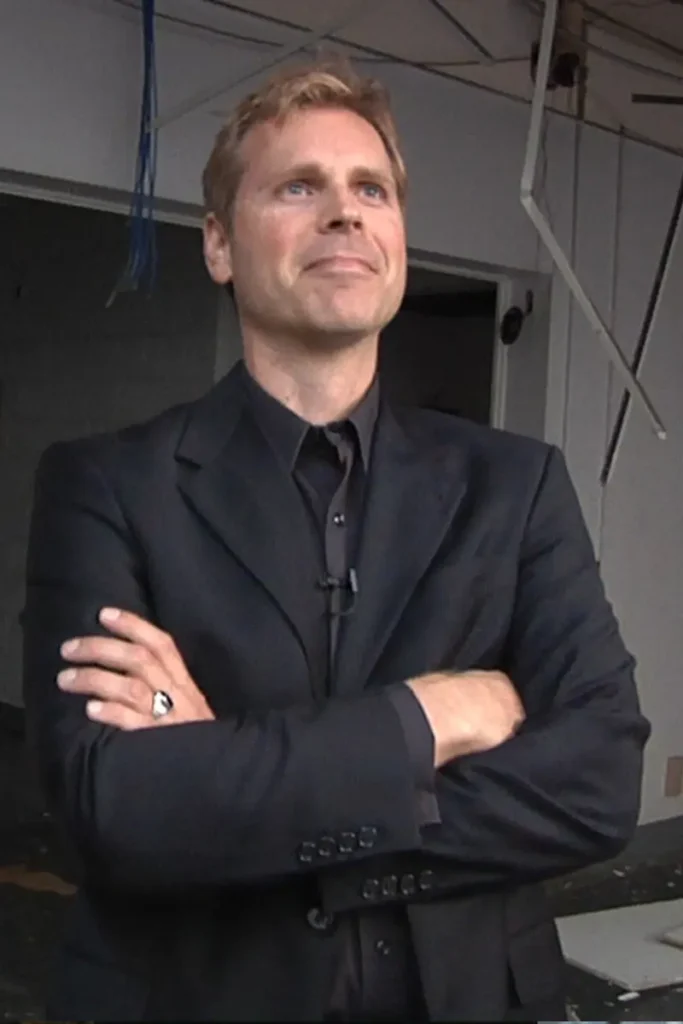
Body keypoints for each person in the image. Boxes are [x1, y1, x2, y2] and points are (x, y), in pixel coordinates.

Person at [22, 58, 650, 1023]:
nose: (345, 214)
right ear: (220, 244)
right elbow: (114, 810)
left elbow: (596, 784)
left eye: (371, 190)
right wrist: (424, 721)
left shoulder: (515, 486)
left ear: (397, 236)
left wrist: (228, 781)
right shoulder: (105, 485)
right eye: (298, 187)